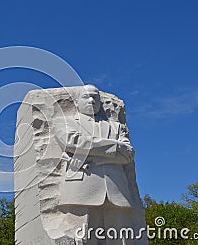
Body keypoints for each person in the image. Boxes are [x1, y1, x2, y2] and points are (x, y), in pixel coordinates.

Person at [52, 85, 140, 244]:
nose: (92, 101)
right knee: (83, 238)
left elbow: (129, 154)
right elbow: (73, 142)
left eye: (96, 97)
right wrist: (115, 146)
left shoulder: (116, 127)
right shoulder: (64, 123)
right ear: (77, 102)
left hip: (117, 190)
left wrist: (99, 158)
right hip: (82, 189)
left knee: (121, 240)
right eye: (87, 97)